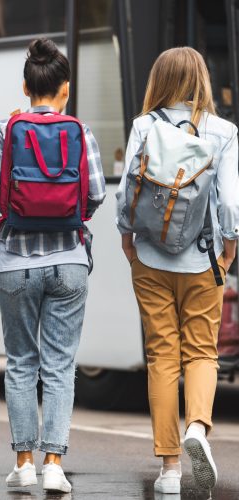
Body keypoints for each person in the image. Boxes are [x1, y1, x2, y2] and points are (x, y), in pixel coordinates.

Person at [0, 38, 106, 493]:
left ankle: (24, 462)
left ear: (25, 86)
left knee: (20, 363)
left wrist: (21, 209)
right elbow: (94, 197)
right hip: (69, 261)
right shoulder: (81, 132)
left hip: (16, 261)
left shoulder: (4, 128)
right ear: (65, 89)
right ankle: (55, 462)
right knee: (59, 364)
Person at [116, 47, 239, 494]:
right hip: (204, 260)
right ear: (202, 80)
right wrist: (228, 252)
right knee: (202, 352)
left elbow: (128, 187)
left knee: (162, 358)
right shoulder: (223, 131)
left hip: (150, 259)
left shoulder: (143, 126)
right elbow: (229, 202)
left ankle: (169, 471)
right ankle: (198, 430)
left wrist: (128, 241)